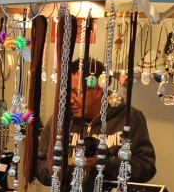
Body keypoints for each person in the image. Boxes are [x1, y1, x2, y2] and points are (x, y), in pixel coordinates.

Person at [36, 56, 156, 185]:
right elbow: (39, 164)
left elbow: (146, 168)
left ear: (98, 91)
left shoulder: (128, 118)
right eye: (67, 92)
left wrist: (106, 163)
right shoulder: (60, 119)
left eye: (76, 92)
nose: (70, 100)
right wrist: (55, 169)